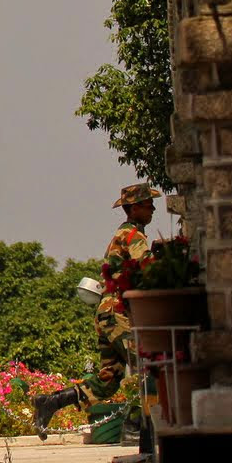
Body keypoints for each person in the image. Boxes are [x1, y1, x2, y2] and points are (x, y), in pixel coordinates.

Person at [32, 182, 159, 436]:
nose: (153, 209)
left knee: (109, 380)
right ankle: (137, 427)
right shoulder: (133, 235)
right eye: (148, 205)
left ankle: (52, 402)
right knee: (148, 366)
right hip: (118, 313)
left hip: (107, 313)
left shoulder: (124, 234)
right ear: (133, 209)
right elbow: (148, 266)